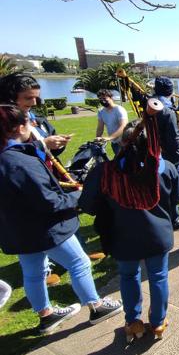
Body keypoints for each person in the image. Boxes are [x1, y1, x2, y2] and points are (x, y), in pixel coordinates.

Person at [0, 105, 122, 334]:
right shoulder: (20, 163)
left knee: (33, 272)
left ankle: (46, 315)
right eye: (29, 123)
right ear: (18, 127)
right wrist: (78, 197)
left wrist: (42, 145)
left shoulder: (9, 157)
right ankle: (96, 306)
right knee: (79, 263)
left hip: (17, 228)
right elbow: (49, 200)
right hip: (45, 226)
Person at [80, 119, 179, 341]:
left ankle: (133, 322)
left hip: (122, 234)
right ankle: (158, 322)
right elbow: (176, 200)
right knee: (158, 276)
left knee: (129, 275)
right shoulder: (166, 168)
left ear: (124, 143)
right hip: (157, 234)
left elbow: (88, 205)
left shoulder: (105, 172)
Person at [154, 77, 179, 230]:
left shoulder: (150, 105)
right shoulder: (167, 111)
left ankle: (164, 217)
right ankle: (174, 219)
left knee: (160, 187)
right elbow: (174, 143)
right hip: (171, 157)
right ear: (171, 92)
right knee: (172, 190)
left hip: (156, 153)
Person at [95, 89, 128, 156]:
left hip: (124, 142)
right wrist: (97, 139)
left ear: (111, 98)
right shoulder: (101, 111)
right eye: (100, 99)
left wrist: (110, 137)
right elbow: (100, 128)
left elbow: (124, 126)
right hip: (114, 143)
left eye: (104, 98)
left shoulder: (119, 109)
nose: (102, 100)